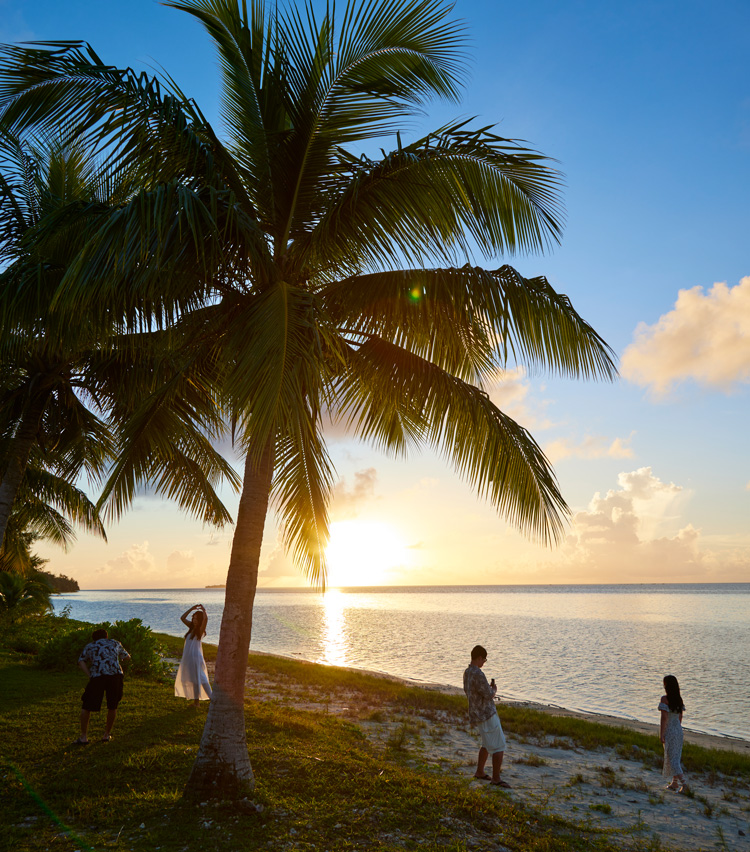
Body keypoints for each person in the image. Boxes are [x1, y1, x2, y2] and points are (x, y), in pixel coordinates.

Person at [463, 644, 510, 787]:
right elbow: (488, 695)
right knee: (498, 745)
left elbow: (472, 691)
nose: (484, 662)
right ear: (478, 658)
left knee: (486, 743)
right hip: (486, 714)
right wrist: (494, 689)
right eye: (484, 659)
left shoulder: (467, 672)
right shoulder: (478, 673)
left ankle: (480, 772)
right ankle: (496, 778)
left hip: (476, 713)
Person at [75, 628, 131, 744]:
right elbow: (127, 657)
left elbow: (81, 661)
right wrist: (118, 660)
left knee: (87, 706)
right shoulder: (115, 642)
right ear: (106, 636)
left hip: (97, 676)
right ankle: (106, 735)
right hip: (115, 676)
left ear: (94, 638)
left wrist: (89, 674)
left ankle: (84, 737)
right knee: (112, 705)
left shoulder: (90, 646)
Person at [175, 603, 212, 706]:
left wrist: (204, 611)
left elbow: (205, 620)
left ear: (199, 620)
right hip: (188, 657)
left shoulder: (200, 631)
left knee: (202, 679)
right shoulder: (191, 628)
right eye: (194, 618)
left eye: (196, 619)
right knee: (194, 679)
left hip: (196, 657)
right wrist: (192, 608)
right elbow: (182, 618)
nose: (194, 620)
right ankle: (196, 702)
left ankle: (212, 699)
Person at [659, 674, 687, 792]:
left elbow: (664, 718)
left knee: (672, 759)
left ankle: (684, 784)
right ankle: (674, 783)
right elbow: (680, 717)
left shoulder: (665, 699)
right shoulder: (679, 700)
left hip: (670, 730)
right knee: (676, 756)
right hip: (678, 730)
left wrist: (662, 734)